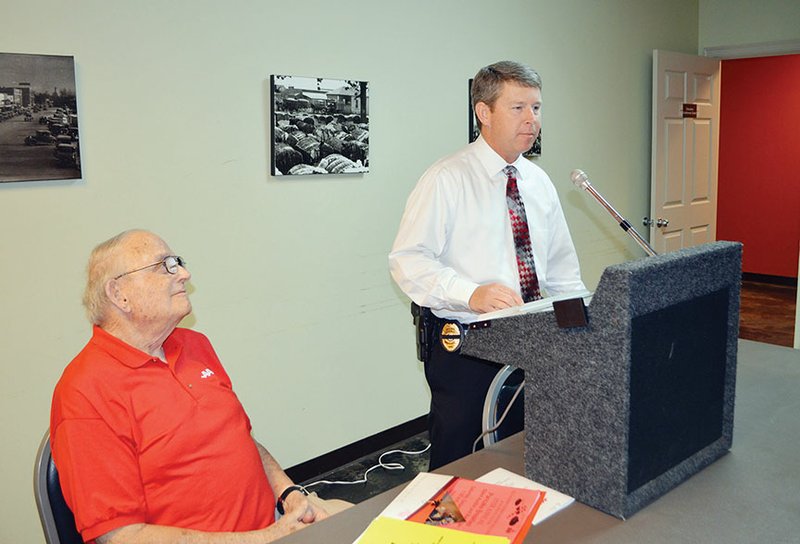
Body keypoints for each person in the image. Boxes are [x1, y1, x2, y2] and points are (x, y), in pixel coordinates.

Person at [50, 229, 342, 544]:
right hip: (254, 538)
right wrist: (265, 538)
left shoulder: (193, 344)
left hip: (271, 525)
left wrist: (290, 494)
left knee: (382, 521)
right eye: (165, 266)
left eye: (178, 262)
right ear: (119, 294)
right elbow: (121, 536)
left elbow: (239, 439)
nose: (185, 274)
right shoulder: (84, 392)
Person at [388, 61, 585, 469]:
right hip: (466, 345)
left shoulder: (538, 181)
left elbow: (562, 269)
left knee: (520, 452)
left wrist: (580, 324)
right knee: (461, 461)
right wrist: (470, 293)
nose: (532, 119)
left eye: (537, 107)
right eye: (518, 108)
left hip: (532, 337)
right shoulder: (447, 178)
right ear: (484, 112)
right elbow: (408, 259)